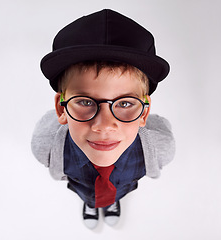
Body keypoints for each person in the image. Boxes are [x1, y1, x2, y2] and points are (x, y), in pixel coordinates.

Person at [31, 9, 175, 229]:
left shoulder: (160, 146)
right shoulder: (46, 144)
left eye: (125, 103)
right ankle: (90, 203)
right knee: (86, 193)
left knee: (118, 191)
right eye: (86, 102)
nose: (104, 125)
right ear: (61, 109)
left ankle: (112, 202)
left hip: (123, 184)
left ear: (144, 113)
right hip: (82, 186)